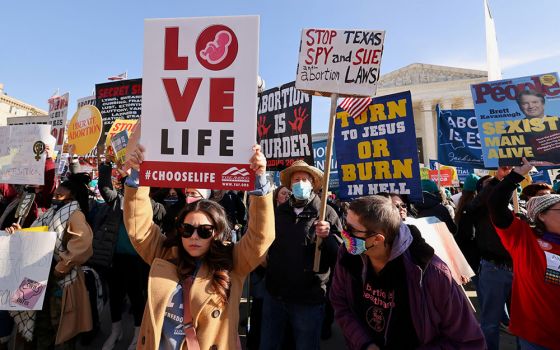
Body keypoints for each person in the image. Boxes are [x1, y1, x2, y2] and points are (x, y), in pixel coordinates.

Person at [123, 137, 274, 350]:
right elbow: (139, 229)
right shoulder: (165, 253)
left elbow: (260, 238)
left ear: (217, 232)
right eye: (187, 229)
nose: (194, 236)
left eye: (204, 231)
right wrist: (137, 177)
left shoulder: (232, 262)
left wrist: (259, 181)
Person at [329, 195, 486, 350]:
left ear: (377, 239)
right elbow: (340, 303)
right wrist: (364, 343)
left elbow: (469, 341)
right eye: (345, 224)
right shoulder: (348, 255)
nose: (345, 234)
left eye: (352, 230)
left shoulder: (432, 273)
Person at [260, 160, 342, 350]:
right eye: (297, 179)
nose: (301, 183)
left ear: (313, 184)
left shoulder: (327, 213)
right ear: (290, 184)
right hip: (275, 294)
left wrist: (328, 236)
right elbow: (266, 242)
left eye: (305, 179)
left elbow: (339, 254)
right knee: (269, 343)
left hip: (308, 298)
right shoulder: (279, 212)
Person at [6, 174, 94, 348]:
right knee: (39, 326)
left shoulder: (75, 215)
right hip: (38, 276)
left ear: (72, 195)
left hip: (59, 281)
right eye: (56, 192)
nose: (56, 194)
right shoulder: (52, 213)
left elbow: (82, 245)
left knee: (59, 330)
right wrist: (20, 232)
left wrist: (61, 268)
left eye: (61, 192)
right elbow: (37, 236)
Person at [489, 157, 560, 349]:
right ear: (541, 216)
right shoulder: (524, 239)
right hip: (537, 337)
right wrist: (516, 175)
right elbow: (496, 206)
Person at [499, 89, 560, 165]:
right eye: (525, 103)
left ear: (543, 104)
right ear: (520, 107)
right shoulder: (510, 130)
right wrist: (531, 165)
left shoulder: (558, 122)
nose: (530, 106)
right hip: (530, 174)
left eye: (535, 102)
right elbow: (506, 163)